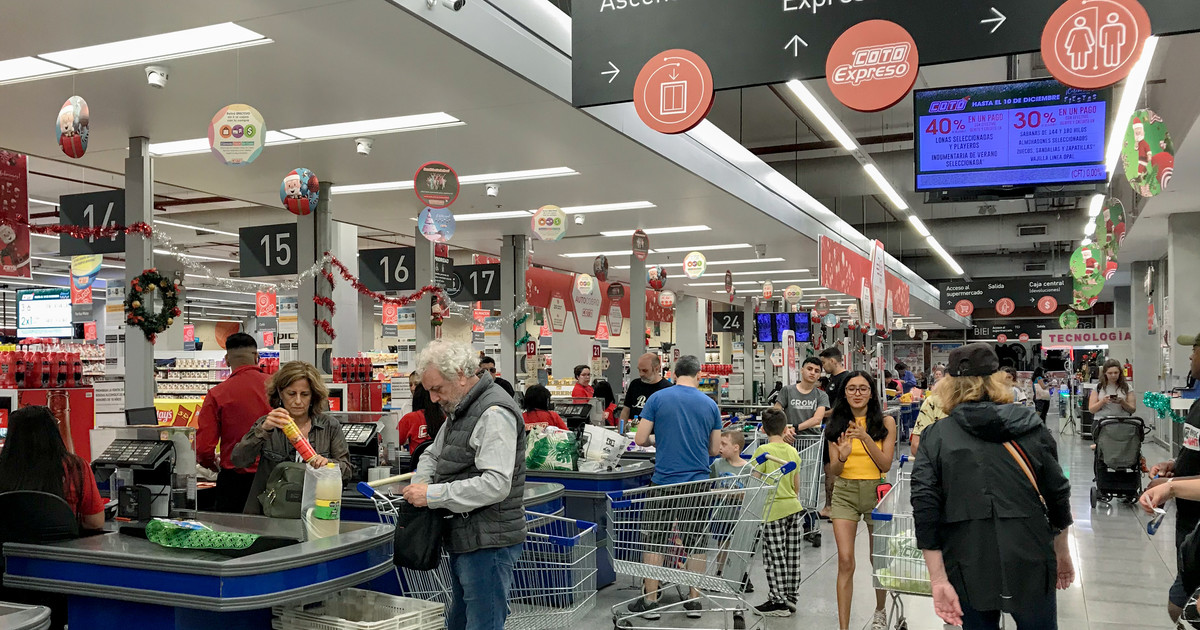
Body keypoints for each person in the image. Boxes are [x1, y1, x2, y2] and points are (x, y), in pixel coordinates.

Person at [912, 343, 1074, 629]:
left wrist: (938, 579)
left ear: (948, 385)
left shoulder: (936, 436)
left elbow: (925, 506)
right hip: (1030, 551)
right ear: (997, 379)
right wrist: (1062, 551)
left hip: (966, 556)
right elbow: (1057, 492)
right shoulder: (1031, 425)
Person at [404, 340, 526, 630]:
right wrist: (421, 483)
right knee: (460, 621)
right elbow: (433, 454)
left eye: (437, 389)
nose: (433, 398)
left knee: (483, 623)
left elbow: (496, 484)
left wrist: (432, 494)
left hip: (488, 541)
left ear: (460, 374)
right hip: (466, 536)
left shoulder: (493, 412)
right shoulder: (462, 408)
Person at [629, 355, 723, 619]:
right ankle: (694, 600)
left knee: (655, 541)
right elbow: (714, 449)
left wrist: (659, 440)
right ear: (698, 375)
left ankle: (650, 602)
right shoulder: (710, 404)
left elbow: (640, 438)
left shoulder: (658, 398)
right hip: (697, 485)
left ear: (673, 373)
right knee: (696, 541)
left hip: (663, 482)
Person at [230, 361, 352, 514]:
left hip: (315, 512)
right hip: (268, 513)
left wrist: (329, 465)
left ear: (313, 396)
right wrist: (263, 431)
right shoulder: (267, 424)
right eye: (291, 394)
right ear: (280, 393)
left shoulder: (329, 426)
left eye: (305, 394)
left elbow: (347, 472)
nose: (298, 401)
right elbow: (239, 461)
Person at [825, 371, 896, 630]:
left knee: (879, 559)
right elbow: (835, 470)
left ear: (871, 393)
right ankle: (843, 626)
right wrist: (842, 456)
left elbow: (885, 464)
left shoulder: (886, 422)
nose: (857, 393)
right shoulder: (836, 424)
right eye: (852, 388)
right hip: (845, 493)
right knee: (845, 560)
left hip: (877, 493)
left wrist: (865, 438)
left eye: (863, 388)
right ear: (844, 393)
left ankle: (880, 611)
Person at [1147, 333, 1200, 622]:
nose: (1190, 356)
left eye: (1194, 350)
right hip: (1189, 524)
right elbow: (1193, 451)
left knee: (1183, 608)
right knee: (1178, 604)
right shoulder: (1198, 405)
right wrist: (1174, 466)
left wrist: (1171, 486)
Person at [196, 333, 272, 513]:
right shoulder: (278, 388)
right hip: (273, 477)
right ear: (256, 357)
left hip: (234, 481)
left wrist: (212, 465)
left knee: (230, 527)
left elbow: (204, 448)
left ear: (227, 360)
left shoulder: (217, 394)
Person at [0, 405, 105, 530]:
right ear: (54, 432)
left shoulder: (3, 467)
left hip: (9, 542)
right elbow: (95, 522)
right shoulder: (76, 467)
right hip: (63, 541)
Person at [752, 408, 804, 618]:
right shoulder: (792, 451)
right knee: (792, 555)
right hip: (793, 508)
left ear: (763, 430)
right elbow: (796, 486)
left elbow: (754, 482)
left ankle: (778, 601)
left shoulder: (763, 451)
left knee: (775, 557)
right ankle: (791, 596)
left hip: (772, 511)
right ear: (785, 430)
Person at [818, 347, 851, 520]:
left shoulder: (845, 379)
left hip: (839, 428)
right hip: (831, 427)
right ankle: (830, 506)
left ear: (833, 360)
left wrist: (817, 415)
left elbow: (839, 407)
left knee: (833, 467)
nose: (823, 367)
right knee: (829, 467)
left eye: (824, 363)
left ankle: (834, 507)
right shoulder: (832, 379)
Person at [775, 356, 829, 444]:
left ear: (819, 375)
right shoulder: (787, 390)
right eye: (809, 369)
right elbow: (776, 412)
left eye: (816, 371)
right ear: (802, 370)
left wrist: (795, 428)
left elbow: (817, 419)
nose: (812, 373)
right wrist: (784, 429)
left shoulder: (822, 395)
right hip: (788, 439)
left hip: (812, 442)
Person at [620, 353, 673, 421]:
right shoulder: (635, 385)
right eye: (639, 370)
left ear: (656, 369)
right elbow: (625, 411)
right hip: (634, 426)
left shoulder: (668, 389)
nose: (641, 374)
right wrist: (621, 427)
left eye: (645, 371)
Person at [397, 384, 446, 455]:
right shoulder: (444, 417)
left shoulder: (409, 418)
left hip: (417, 460)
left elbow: (395, 441)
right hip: (439, 459)